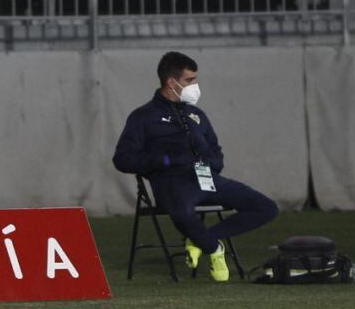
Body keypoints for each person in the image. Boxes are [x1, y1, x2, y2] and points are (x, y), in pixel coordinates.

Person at [113, 51, 279, 281]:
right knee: (182, 212)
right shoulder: (143, 117)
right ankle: (213, 248)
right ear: (172, 82)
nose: (195, 85)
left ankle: (201, 239)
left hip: (207, 179)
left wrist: (211, 165)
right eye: (189, 80)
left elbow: (216, 153)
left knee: (267, 208)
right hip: (172, 183)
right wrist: (166, 160)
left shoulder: (196, 114)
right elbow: (122, 159)